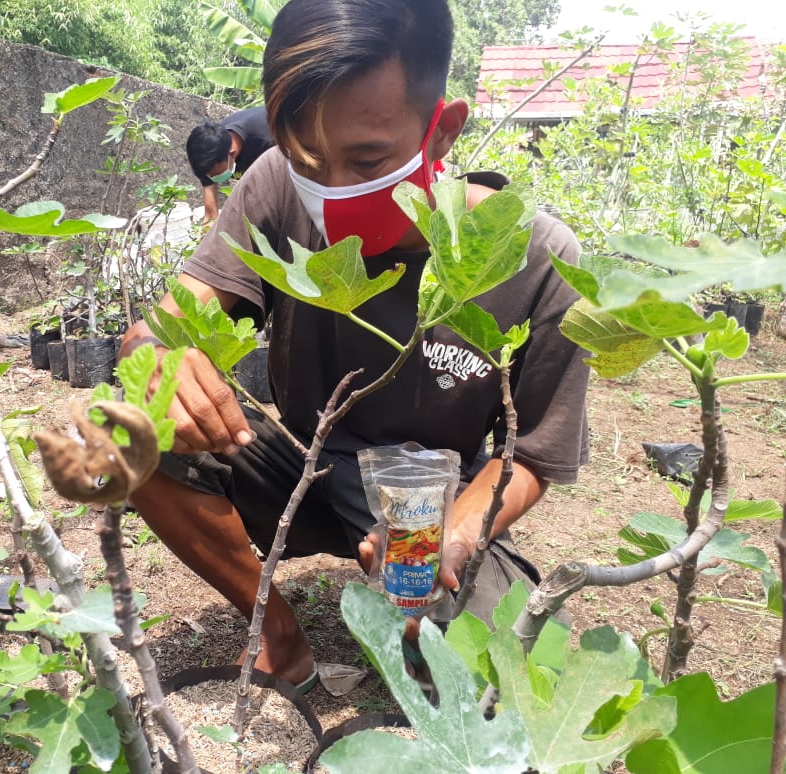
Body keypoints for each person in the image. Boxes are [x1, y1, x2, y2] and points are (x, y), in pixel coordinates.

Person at [121, 0, 590, 691]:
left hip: (430, 498)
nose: (329, 190)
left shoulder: (537, 259)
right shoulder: (273, 184)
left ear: (443, 131)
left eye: (367, 160)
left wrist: (459, 531)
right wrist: (159, 363)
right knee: (131, 422)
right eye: (306, 159)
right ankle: (277, 636)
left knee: (511, 687)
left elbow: (534, 457)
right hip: (303, 467)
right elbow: (158, 329)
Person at [185, 106, 275, 223]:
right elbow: (211, 216)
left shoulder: (267, 143)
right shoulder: (210, 150)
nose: (212, 178)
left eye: (216, 175)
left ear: (232, 154)